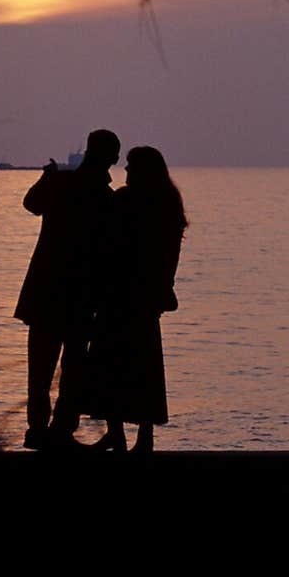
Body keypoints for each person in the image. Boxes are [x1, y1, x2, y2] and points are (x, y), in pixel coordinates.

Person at [14, 129, 121, 449]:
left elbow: (31, 204)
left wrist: (48, 179)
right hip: (81, 295)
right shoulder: (105, 198)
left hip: (47, 291)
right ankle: (60, 430)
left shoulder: (63, 183)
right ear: (112, 159)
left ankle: (39, 429)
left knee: (41, 367)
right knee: (73, 368)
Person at [85, 146, 188, 453]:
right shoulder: (167, 205)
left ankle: (119, 432)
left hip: (120, 295)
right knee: (143, 366)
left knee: (111, 361)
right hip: (144, 298)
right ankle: (142, 436)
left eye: (130, 166)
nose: (125, 171)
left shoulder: (125, 201)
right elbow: (170, 257)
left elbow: (104, 242)